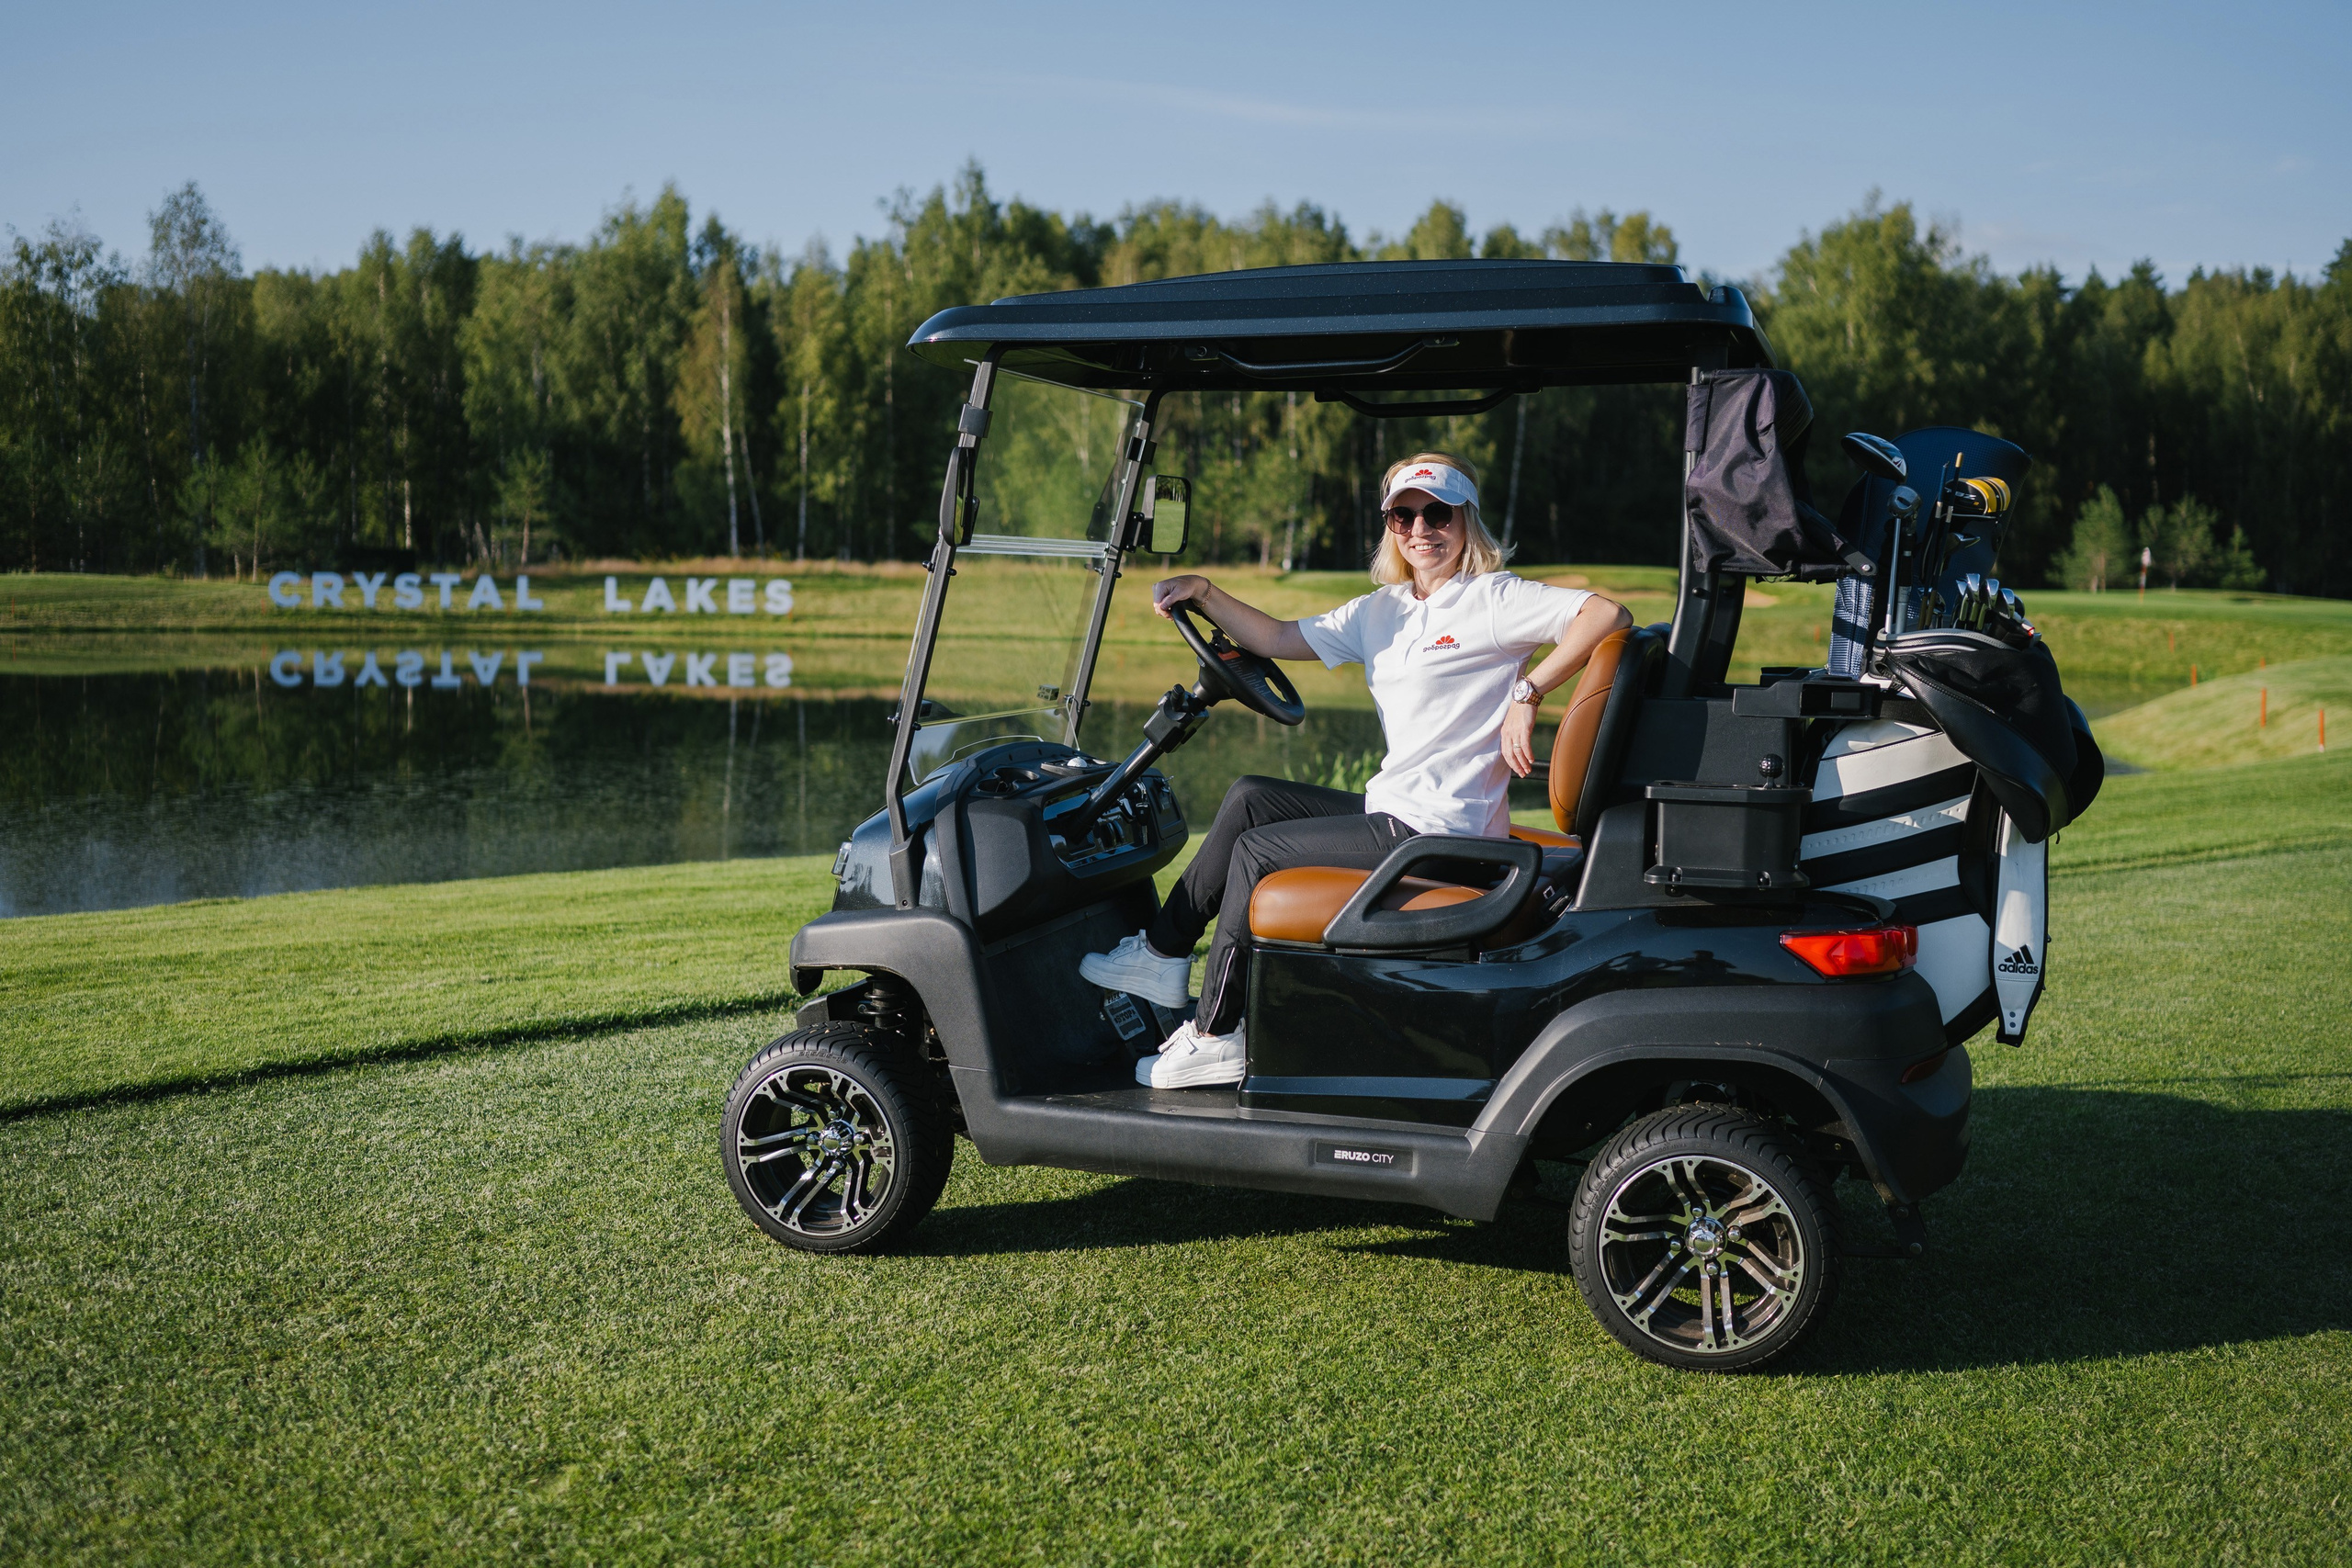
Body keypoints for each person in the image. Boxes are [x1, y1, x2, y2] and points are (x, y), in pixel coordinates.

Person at [1080, 450, 1633, 1089]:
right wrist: (1204, 591)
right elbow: (1279, 637)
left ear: (1465, 520)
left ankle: (1214, 1032)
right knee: (1251, 798)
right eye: (1404, 515)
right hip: (1396, 816)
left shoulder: (1492, 599)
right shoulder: (1382, 611)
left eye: (1437, 513)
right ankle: (1160, 953)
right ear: (1390, 526)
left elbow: (1605, 614)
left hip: (1445, 836)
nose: (1421, 529)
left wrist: (1527, 692)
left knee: (1258, 852)